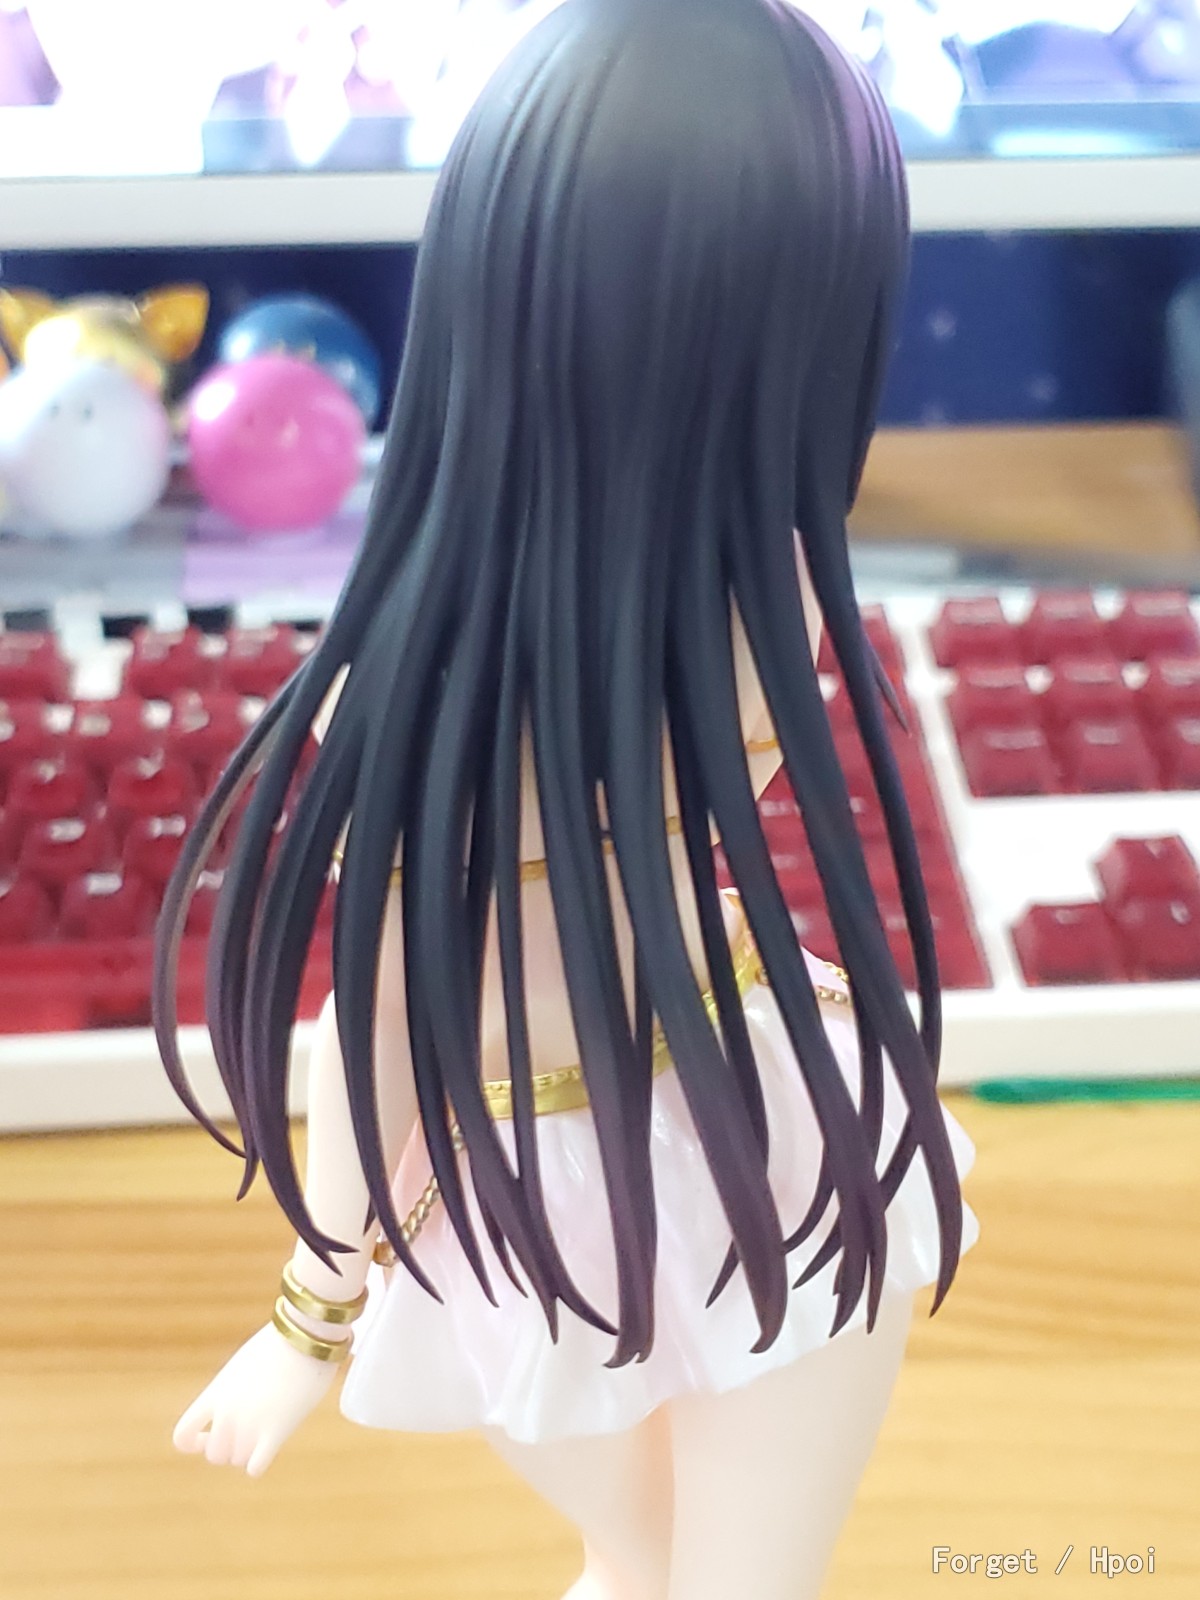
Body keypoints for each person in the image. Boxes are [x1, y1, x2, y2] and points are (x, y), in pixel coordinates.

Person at [155, 3, 978, 1596]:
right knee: (659, 1561)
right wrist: (305, 1317)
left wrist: (312, 1315)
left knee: (712, 1574)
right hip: (556, 1197)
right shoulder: (464, 677)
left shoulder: (729, 599)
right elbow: (368, 1015)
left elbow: (368, 1016)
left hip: (737, 1133)